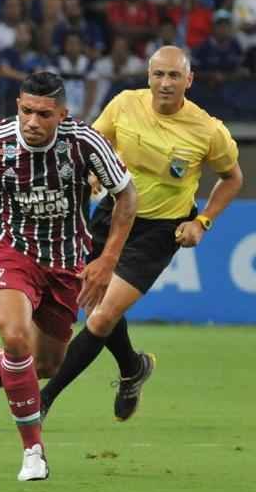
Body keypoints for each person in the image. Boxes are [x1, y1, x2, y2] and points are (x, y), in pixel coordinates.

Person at [0, 71, 138, 481]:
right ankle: (34, 452)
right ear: (18, 105)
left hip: (66, 263)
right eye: (27, 111)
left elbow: (127, 195)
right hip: (12, 252)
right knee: (16, 337)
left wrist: (107, 260)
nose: (33, 121)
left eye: (44, 114)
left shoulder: (84, 143)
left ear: (62, 114)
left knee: (45, 365)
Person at [39, 47, 243, 420]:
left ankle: (43, 401)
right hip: (113, 215)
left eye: (174, 76)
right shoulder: (124, 104)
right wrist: (93, 174)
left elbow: (233, 178)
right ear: (148, 76)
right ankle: (133, 368)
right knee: (95, 306)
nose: (165, 84)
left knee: (100, 318)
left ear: (189, 80)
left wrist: (202, 222)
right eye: (159, 75)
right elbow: (93, 148)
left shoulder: (208, 130)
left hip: (160, 229)